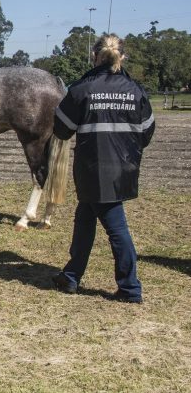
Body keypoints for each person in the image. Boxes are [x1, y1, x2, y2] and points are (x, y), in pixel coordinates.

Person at [51, 34, 155, 304]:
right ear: (122, 57)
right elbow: (147, 132)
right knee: (84, 217)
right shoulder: (136, 90)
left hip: (92, 170)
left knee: (116, 228)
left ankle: (130, 288)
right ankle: (71, 276)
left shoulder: (82, 89)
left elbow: (61, 129)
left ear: (95, 56)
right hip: (124, 168)